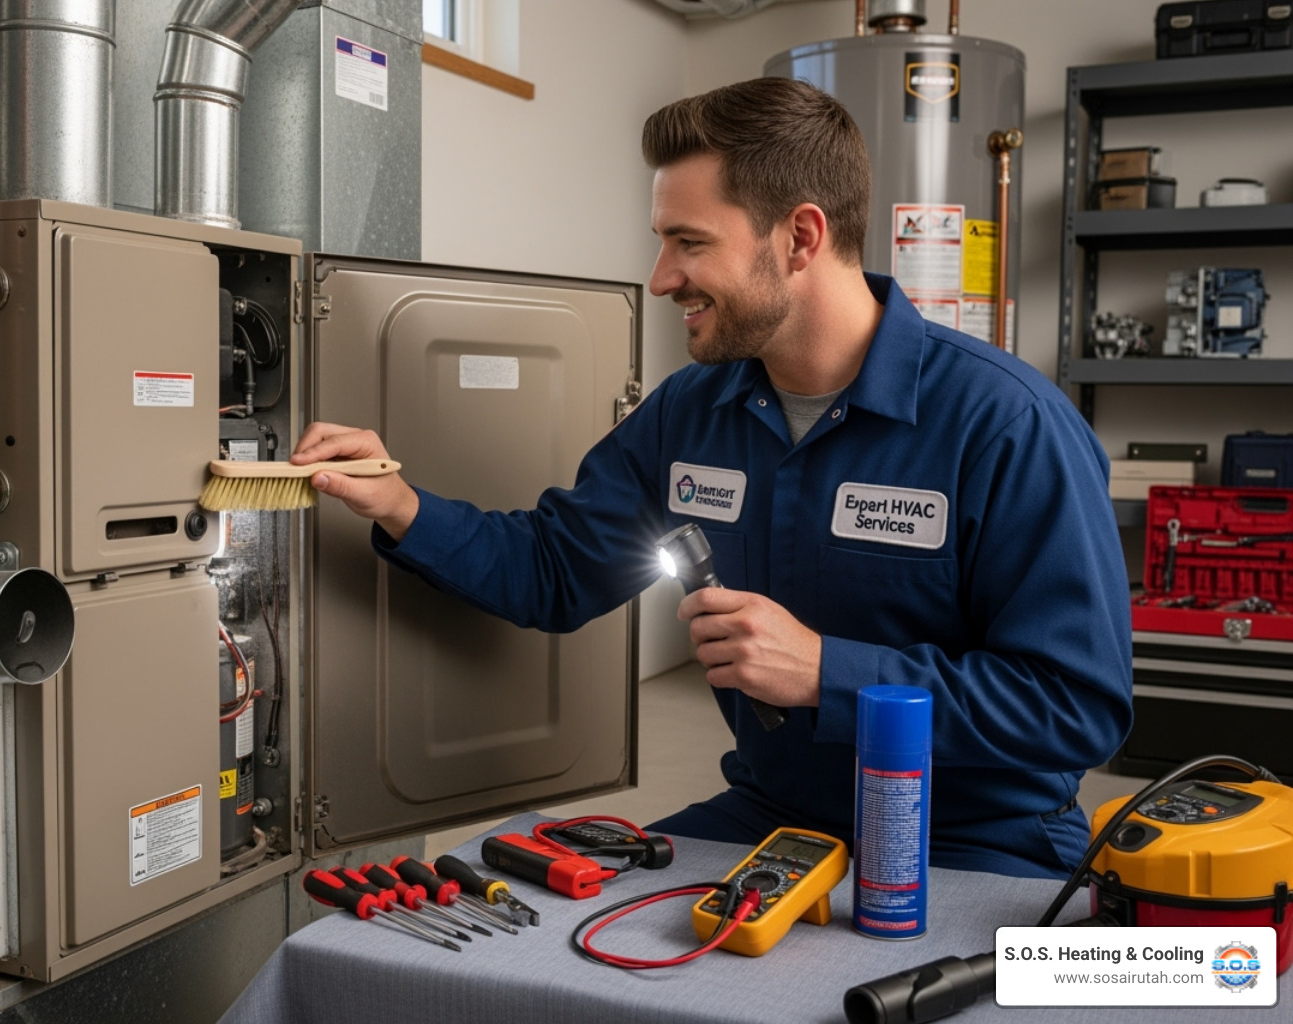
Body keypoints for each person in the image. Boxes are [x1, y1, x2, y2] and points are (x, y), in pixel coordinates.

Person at [289, 77, 1133, 879]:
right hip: (774, 817)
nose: (661, 278)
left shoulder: (1009, 425)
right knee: (558, 941)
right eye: (663, 242)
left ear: (801, 237)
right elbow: (554, 571)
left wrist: (828, 672)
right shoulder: (691, 414)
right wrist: (400, 505)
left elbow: (1077, 707)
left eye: (689, 243)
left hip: (975, 839)